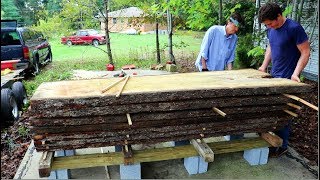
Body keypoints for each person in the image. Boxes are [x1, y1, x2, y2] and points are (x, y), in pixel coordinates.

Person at [258, 2, 310, 157]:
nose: (269, 26)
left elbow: (305, 52)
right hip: (274, 75)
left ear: (279, 16)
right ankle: (272, 140)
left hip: (288, 79)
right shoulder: (271, 29)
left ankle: (282, 146)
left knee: (283, 114)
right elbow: (271, 47)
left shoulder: (294, 28)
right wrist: (263, 66)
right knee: (272, 111)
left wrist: (296, 73)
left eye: (270, 23)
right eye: (266, 24)